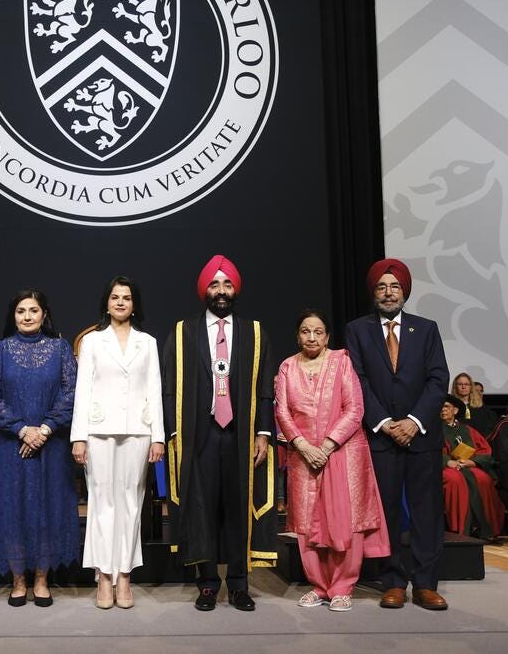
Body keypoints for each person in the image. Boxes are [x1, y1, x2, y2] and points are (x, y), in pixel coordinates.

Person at [161, 255, 277, 613]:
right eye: (215, 284)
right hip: (200, 435)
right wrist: (174, 434)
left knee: (239, 508)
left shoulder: (254, 332)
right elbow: (168, 388)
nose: (221, 291)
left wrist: (263, 432)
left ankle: (240, 585)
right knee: (203, 508)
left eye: (227, 284)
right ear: (204, 291)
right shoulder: (183, 332)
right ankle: (208, 583)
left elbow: (264, 390)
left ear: (235, 290)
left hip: (241, 436)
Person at [343, 258, 450, 610]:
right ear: (373, 292)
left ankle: (425, 584)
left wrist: (414, 421)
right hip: (380, 437)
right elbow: (357, 380)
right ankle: (392, 581)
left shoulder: (427, 328)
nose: (388, 293)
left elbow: (438, 379)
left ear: (404, 291)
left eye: (395, 287)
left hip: (421, 436)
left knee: (426, 512)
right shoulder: (357, 330)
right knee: (386, 513)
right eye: (381, 287)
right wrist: (385, 423)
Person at [274, 309, 388, 613]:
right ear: (297, 335)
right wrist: (302, 445)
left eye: (318, 332)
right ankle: (319, 587)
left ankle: (343, 587)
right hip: (302, 457)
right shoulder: (287, 367)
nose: (311, 337)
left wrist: (325, 445)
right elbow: (282, 411)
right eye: (305, 331)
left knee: (345, 522)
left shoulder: (342, 362)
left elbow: (355, 409)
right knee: (308, 523)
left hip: (342, 453)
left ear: (327, 337)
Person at [71, 276, 165, 609]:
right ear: (106, 303)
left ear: (134, 304)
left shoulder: (148, 342)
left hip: (138, 431)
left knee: (131, 505)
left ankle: (125, 576)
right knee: (101, 504)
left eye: (126, 297)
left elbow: (154, 389)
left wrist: (158, 437)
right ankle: (104, 577)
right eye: (115, 297)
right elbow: (83, 390)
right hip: (99, 431)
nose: (121, 302)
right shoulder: (93, 342)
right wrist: (79, 437)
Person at [0, 289, 78, 607]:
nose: (26, 316)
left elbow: (70, 393)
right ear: (13, 315)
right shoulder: (0, 350)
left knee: (47, 507)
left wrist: (45, 430)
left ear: (44, 314)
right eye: (21, 310)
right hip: (8, 444)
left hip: (52, 444)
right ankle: (18, 579)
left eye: (33, 310)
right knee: (13, 508)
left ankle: (41, 579)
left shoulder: (61, 349)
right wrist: (23, 430)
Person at [439, 395, 504, 540]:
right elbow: (429, 452)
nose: (443, 410)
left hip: (468, 465)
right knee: (455, 480)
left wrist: (473, 462)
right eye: (440, 407)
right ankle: (460, 528)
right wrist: (447, 461)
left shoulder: (467, 430)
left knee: (483, 479)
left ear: (455, 410)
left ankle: (487, 528)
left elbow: (485, 450)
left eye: (446, 407)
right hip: (444, 467)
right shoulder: (433, 429)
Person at [451, 372, 497, 436]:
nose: (463, 387)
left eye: (466, 384)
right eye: (460, 384)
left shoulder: (480, 406)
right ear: (455, 386)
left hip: (478, 441)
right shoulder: (450, 405)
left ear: (471, 387)